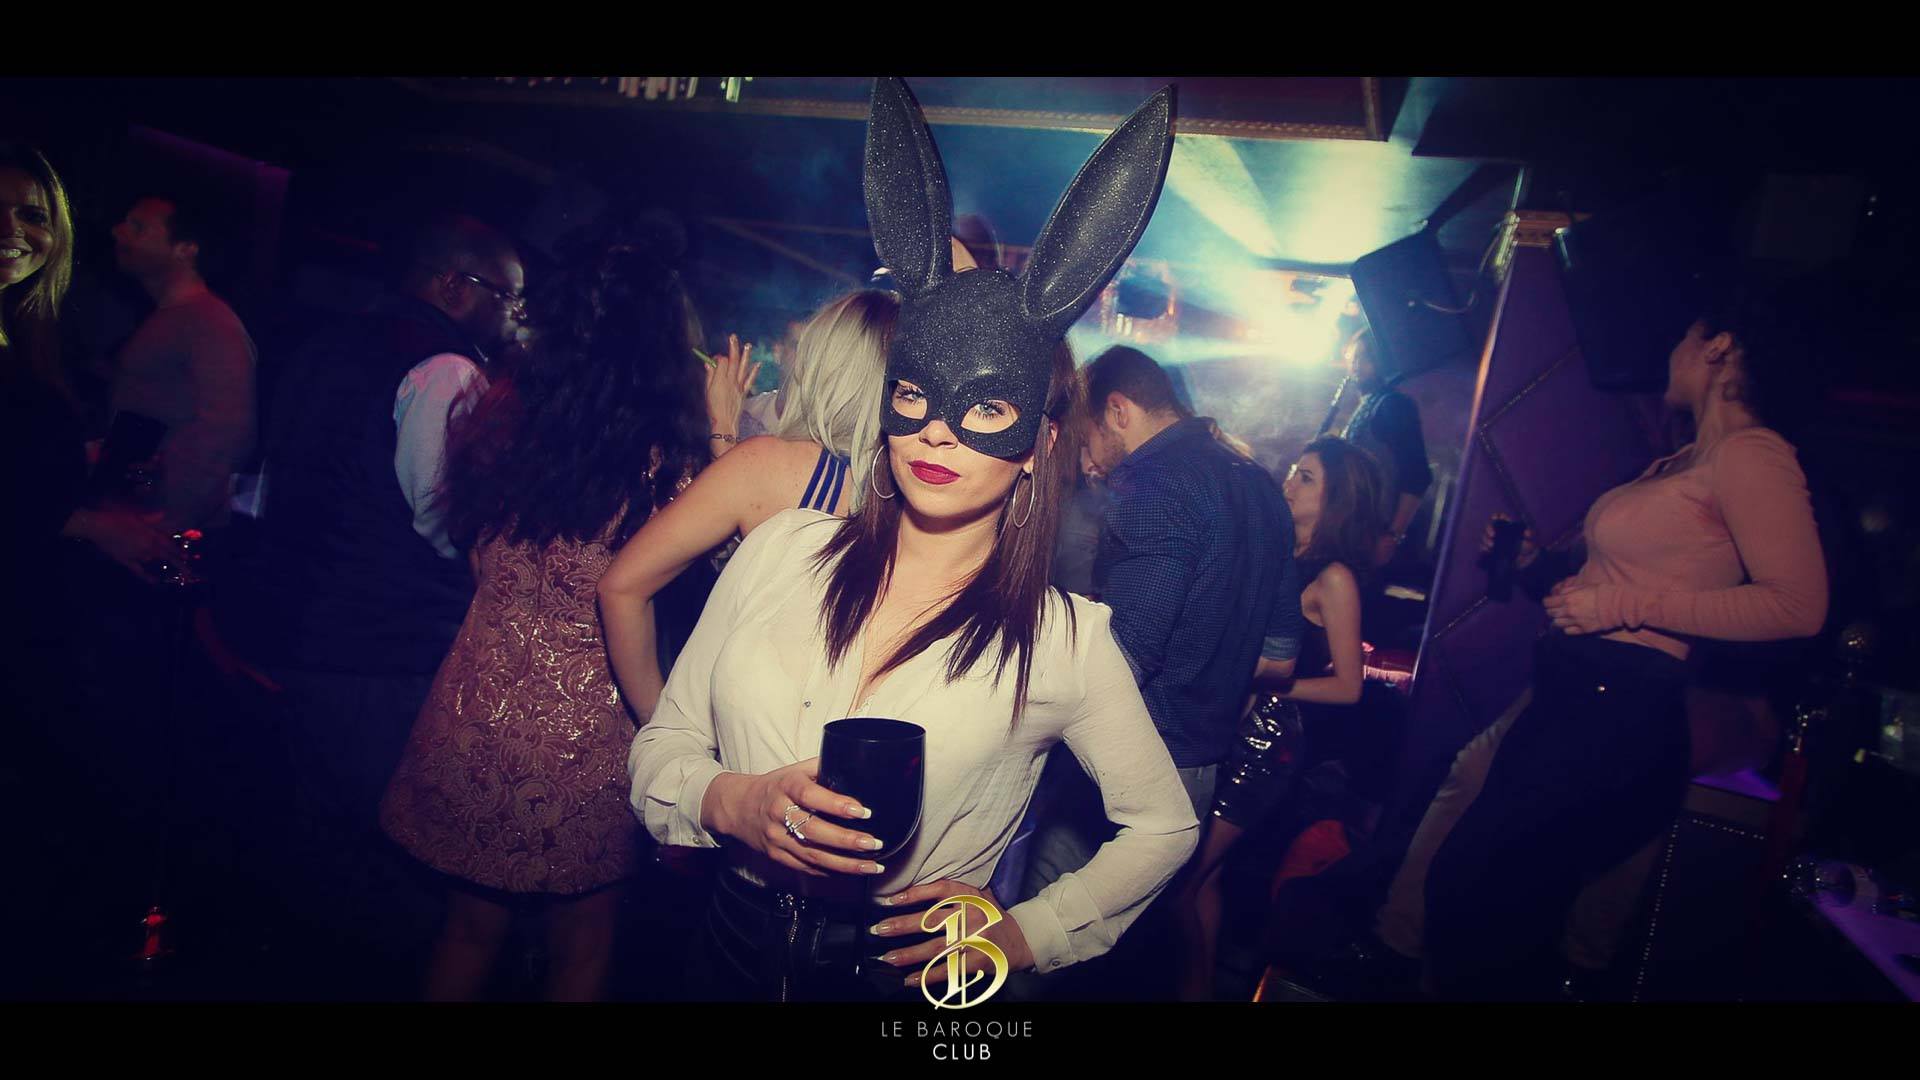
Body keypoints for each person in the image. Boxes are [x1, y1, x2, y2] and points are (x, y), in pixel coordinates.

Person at [628, 76, 1196, 1002]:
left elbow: (1163, 826)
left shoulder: (1063, 640)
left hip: (899, 980)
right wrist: (729, 799)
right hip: (722, 947)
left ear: (1036, 446)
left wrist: (1027, 933)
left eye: (987, 409)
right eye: (915, 396)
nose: (937, 432)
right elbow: (668, 740)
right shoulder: (782, 550)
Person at [1422, 284, 1830, 1000]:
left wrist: (1623, 604)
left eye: (1684, 336)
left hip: (1616, 713)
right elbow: (1610, 587)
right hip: (1573, 696)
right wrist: (1539, 569)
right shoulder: (1683, 461)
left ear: (1719, 347)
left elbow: (1798, 607)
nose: (1671, 351)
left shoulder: (1751, 455)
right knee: (1481, 900)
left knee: (1484, 904)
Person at [379, 225, 710, 1001]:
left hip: (474, 706)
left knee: (467, 929)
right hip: (587, 734)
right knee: (583, 943)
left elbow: (473, 557)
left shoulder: (500, 424)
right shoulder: (664, 465)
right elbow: (732, 564)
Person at [253, 213, 528, 982]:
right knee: (394, 856)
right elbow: (449, 522)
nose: (515, 315)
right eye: (507, 296)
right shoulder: (448, 370)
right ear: (454, 285)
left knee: (315, 845)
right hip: (384, 644)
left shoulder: (327, 343)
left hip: (295, 623)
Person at [1022, 345, 1305, 911]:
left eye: (1087, 437)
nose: (1088, 460)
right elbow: (1280, 659)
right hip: (1199, 774)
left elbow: (1125, 657)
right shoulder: (1260, 484)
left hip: (1123, 768)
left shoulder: (1152, 480)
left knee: (1040, 936)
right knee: (1129, 947)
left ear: (1118, 411)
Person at [600, 288, 898, 720]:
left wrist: (660, 728)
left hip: (757, 724)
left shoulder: (767, 465)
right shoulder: (912, 487)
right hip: (854, 725)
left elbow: (621, 588)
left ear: (819, 364)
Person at [1173, 435, 1384, 999]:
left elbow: (1349, 687)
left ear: (1337, 498)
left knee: (1180, 882)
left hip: (1266, 743)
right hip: (1228, 725)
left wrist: (1262, 680)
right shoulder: (1282, 554)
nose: (1289, 483)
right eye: (1293, 471)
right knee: (1205, 879)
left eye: (1306, 477)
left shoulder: (1334, 577)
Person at [107, 192, 257, 533]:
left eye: (137, 227)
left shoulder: (209, 324)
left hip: (158, 529)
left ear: (186, 249)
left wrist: (169, 524)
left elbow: (227, 436)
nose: (117, 232)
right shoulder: (175, 317)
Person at [1341, 328, 1432, 568]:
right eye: (1354, 357)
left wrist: (1392, 536)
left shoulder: (1393, 405)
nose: (1357, 364)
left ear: (1381, 361)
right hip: (1349, 530)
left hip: (1371, 535)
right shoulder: (1367, 405)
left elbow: (1417, 476)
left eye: (1366, 357)